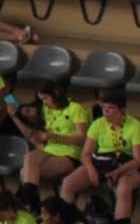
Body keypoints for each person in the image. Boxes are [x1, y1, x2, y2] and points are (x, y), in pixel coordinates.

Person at [60, 88, 140, 224]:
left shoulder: (134, 125)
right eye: (103, 108)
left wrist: (119, 171)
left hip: (126, 166)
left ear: (121, 110)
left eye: (110, 109)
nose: (106, 113)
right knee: (68, 184)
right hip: (101, 163)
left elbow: (139, 159)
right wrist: (91, 170)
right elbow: (85, 155)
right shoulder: (98, 124)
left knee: (123, 188)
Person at [12, 80, 90, 211]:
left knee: (24, 172)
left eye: (46, 98)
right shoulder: (46, 109)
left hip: (70, 153)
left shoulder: (75, 109)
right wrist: (14, 117)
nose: (44, 103)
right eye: (41, 99)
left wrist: (54, 137)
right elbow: (29, 132)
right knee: (30, 156)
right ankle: (31, 202)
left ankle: (29, 204)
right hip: (50, 149)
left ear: (56, 93)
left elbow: (82, 139)